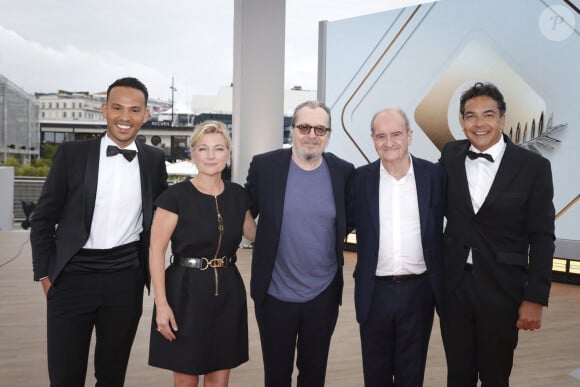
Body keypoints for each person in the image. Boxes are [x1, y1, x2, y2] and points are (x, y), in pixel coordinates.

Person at [30, 77, 168, 387]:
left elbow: (161, 218)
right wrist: (45, 275)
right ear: (104, 109)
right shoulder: (71, 154)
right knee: (65, 377)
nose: (125, 117)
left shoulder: (154, 160)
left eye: (134, 110)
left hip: (125, 280)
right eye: (117, 108)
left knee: (112, 375)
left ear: (146, 115)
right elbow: (43, 219)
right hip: (71, 277)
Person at [440, 82, 555, 387]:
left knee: (495, 376)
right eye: (470, 116)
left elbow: (543, 236)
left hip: (503, 290)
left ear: (503, 120)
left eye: (488, 115)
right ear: (462, 121)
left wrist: (535, 297)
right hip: (454, 288)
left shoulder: (534, 167)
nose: (479, 124)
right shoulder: (450, 155)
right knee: (458, 376)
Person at [245, 100, 354, 387]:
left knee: (314, 375)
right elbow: (244, 209)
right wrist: (261, 239)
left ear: (329, 134)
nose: (312, 134)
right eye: (304, 126)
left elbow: (350, 220)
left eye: (320, 128)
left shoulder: (344, 172)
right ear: (292, 129)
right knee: (277, 376)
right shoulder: (266, 166)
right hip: (274, 294)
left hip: (323, 294)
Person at [148, 120, 256, 387]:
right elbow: (155, 250)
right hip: (185, 293)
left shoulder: (238, 195)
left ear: (228, 154)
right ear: (193, 153)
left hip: (228, 293)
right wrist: (161, 306)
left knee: (219, 381)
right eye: (203, 149)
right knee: (186, 381)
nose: (211, 156)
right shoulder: (175, 197)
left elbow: (256, 236)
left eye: (219, 149)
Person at [350, 108, 444, 386]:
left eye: (396, 134)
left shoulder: (434, 176)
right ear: (372, 139)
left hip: (420, 292)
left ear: (409, 136)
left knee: (411, 375)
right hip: (374, 292)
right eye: (381, 136)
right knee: (376, 376)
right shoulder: (359, 180)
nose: (388, 142)